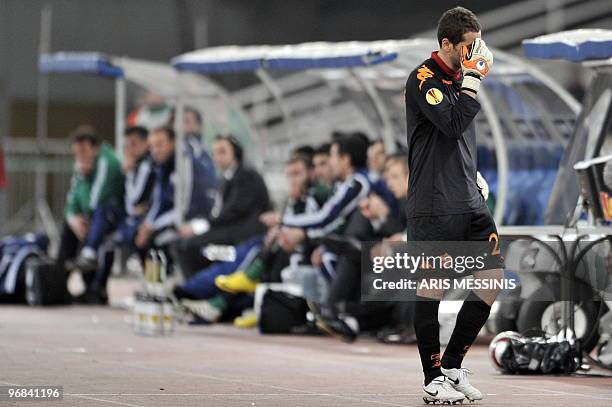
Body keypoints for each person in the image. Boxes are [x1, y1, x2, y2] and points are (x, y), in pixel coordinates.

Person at [404, 7, 503, 404]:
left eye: (476, 45)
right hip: (433, 206)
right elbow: (452, 123)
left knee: (491, 280)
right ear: (446, 43)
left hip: (468, 201)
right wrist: (475, 77)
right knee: (431, 291)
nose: (473, 53)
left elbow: (458, 140)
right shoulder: (423, 78)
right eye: (467, 46)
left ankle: (452, 366)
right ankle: (432, 378)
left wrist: (473, 174)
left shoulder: (462, 78)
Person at [172, 134, 270, 278]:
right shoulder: (226, 178)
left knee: (191, 247)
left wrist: (199, 226)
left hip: (238, 246)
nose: (217, 157)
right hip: (228, 236)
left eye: (222, 151)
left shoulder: (246, 175)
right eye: (215, 153)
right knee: (180, 244)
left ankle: (198, 290)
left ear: (236, 152)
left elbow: (233, 212)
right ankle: (195, 287)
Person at [58, 125, 124, 304]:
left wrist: (82, 218)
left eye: (84, 151)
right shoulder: (82, 164)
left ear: (95, 148)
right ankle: (58, 283)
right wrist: (73, 218)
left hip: (111, 215)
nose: (80, 156)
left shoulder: (106, 161)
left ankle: (94, 289)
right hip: (91, 217)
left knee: (93, 230)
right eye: (77, 152)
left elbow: (97, 199)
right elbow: (71, 201)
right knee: (69, 228)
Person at [116, 126, 155, 253]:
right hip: (136, 214)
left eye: (133, 144)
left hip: (149, 216)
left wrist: (129, 173)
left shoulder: (147, 164)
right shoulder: (135, 164)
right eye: (127, 145)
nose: (129, 149)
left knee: (132, 234)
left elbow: (135, 198)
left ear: (146, 143)